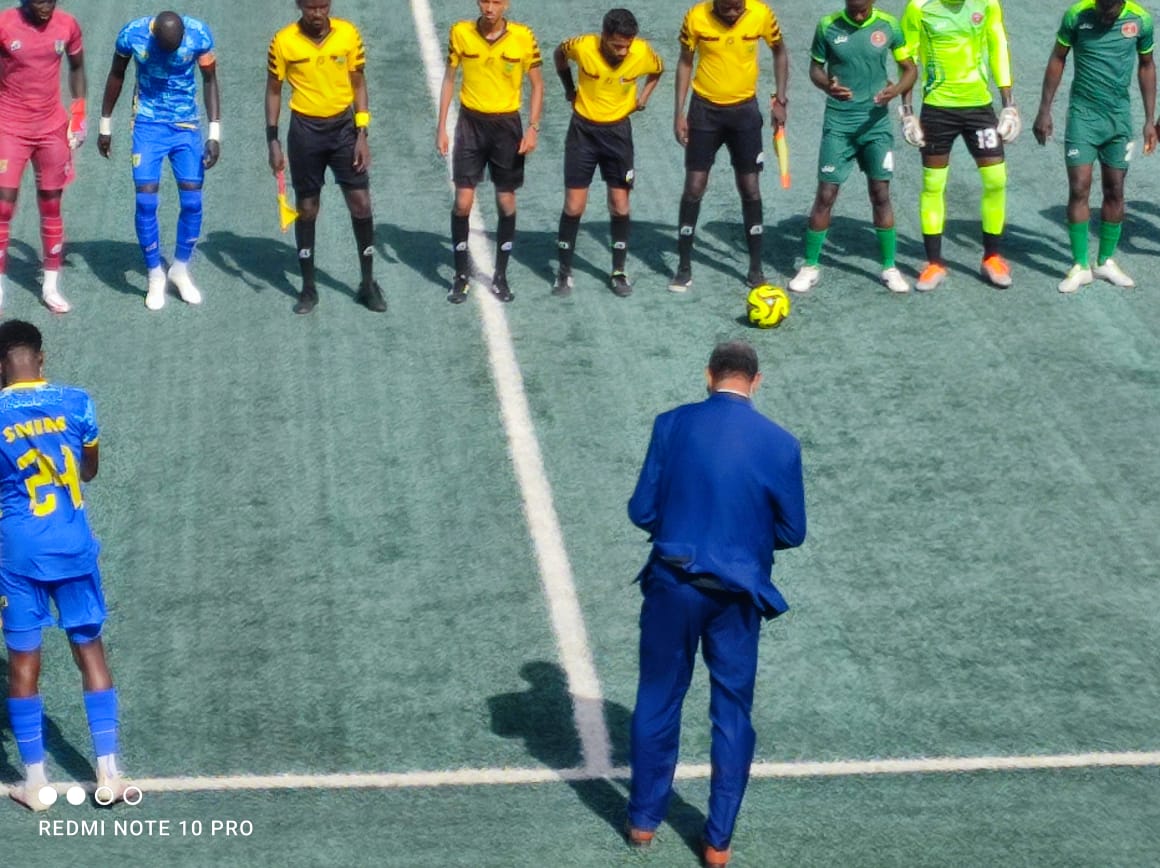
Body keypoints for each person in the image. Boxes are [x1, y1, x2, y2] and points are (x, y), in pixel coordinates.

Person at [625, 341, 806, 868]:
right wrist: (744, 540)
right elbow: (793, 531)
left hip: (673, 584)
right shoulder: (781, 443)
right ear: (757, 380)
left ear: (709, 375)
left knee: (658, 697)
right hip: (738, 595)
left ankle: (642, 821)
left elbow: (642, 510)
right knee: (732, 713)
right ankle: (718, 842)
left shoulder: (671, 424)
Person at [0, 320, 126, 811]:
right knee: (90, 651)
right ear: (41, 358)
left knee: (23, 662)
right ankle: (109, 773)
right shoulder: (78, 402)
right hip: (72, 545)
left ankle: (35, 784)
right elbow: (88, 470)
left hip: (19, 554)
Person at [789, 0, 918, 295]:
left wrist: (896, 91)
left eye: (862, 9)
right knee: (826, 194)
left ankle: (889, 267)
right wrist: (827, 85)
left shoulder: (889, 25)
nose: (858, 13)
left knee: (880, 193)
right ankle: (810, 266)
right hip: (839, 125)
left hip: (876, 126)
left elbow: (910, 69)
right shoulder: (827, 26)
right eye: (852, 7)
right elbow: (815, 69)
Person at [266, 0, 386, 315]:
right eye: (311, 7)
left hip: (345, 129)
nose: (318, 13)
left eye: (323, 6)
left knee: (361, 203)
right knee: (307, 208)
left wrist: (362, 133)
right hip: (305, 132)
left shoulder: (348, 34)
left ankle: (368, 284)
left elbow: (358, 83)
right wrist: (272, 140)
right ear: (299, 5)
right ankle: (308, 289)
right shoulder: (283, 41)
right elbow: (274, 91)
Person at [97, 10, 221, 311]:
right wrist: (105, 125)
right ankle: (154, 273)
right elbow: (116, 74)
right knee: (145, 201)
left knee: (192, 201)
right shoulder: (132, 35)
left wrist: (214, 134)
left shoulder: (199, 35)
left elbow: (210, 80)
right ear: (153, 36)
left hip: (186, 127)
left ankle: (180, 268)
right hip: (148, 126)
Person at [1033, 0, 1156, 294]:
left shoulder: (1141, 20)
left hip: (1119, 122)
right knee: (1079, 187)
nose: (1103, 13)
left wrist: (1149, 120)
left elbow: (1147, 66)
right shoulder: (1076, 16)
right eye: (1100, 6)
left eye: (1109, 9)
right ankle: (1080, 265)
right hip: (1082, 118)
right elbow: (1058, 58)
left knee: (1115, 189)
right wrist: (1044, 110)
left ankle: (1104, 261)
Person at [899, 0, 1020, 291]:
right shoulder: (919, 7)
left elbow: (998, 48)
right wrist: (907, 112)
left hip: (979, 108)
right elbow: (907, 58)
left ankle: (992, 258)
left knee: (996, 180)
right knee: (933, 185)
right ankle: (934, 263)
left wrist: (1009, 105)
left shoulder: (987, 4)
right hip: (937, 110)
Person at [670, 0, 789, 293]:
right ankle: (683, 267)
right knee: (694, 186)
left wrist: (780, 99)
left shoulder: (761, 14)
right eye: (727, 9)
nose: (733, 14)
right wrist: (679, 112)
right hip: (704, 112)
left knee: (750, 188)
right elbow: (685, 62)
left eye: (738, 8)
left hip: (745, 113)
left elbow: (780, 51)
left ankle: (755, 269)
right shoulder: (695, 17)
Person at [437, 0, 543, 305]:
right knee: (463, 201)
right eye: (485, 0)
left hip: (507, 127)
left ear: (506, 4)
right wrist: (441, 126)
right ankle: (461, 275)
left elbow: (537, 85)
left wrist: (533, 127)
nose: (489, 7)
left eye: (496, 1)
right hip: (470, 124)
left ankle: (500, 275)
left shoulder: (524, 37)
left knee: (506, 200)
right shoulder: (460, 32)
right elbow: (449, 78)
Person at [551, 9, 663, 298]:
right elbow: (559, 54)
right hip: (583, 132)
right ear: (603, 36)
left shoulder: (642, 53)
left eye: (627, 45)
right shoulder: (582, 47)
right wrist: (569, 89)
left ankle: (618, 271)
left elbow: (657, 70)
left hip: (618, 135)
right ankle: (564, 272)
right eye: (617, 46)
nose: (623, 52)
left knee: (620, 205)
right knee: (574, 205)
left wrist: (642, 99)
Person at [0, 0, 87, 315]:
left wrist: (79, 113)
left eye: (51, 0)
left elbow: (77, 67)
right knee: (3, 206)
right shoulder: (4, 25)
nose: (46, 6)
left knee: (51, 204)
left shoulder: (67, 25)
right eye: (39, 0)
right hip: (9, 128)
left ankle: (50, 285)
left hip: (51, 129)